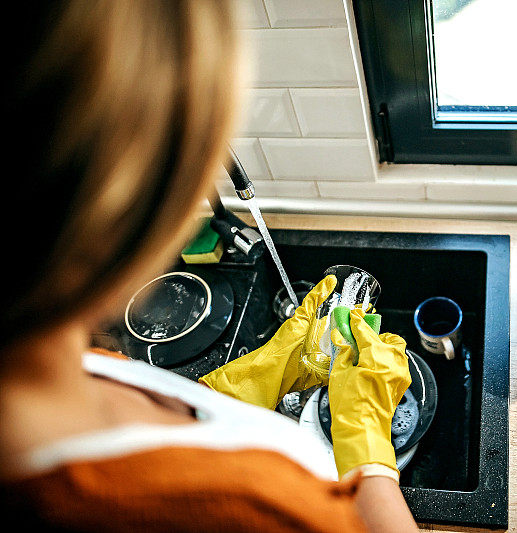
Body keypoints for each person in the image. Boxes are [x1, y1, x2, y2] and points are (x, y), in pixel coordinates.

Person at [0, 2, 418, 531]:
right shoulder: (232, 509)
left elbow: (165, 427)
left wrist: (252, 380)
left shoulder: (60, 361)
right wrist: (369, 451)